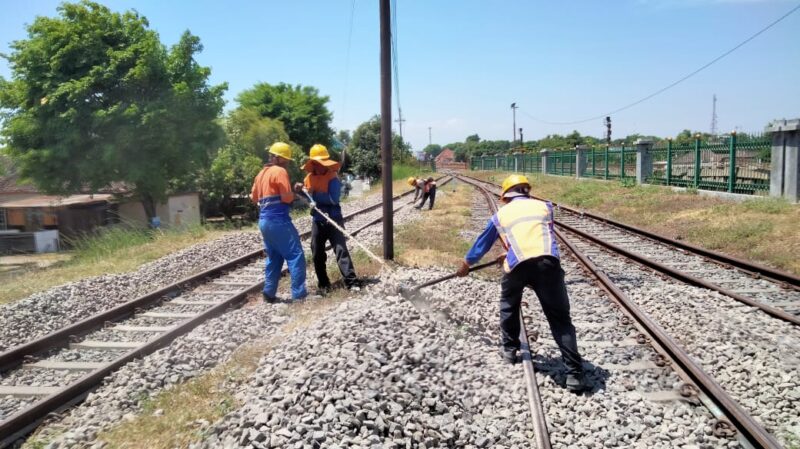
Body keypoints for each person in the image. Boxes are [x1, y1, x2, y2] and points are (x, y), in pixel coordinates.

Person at [455, 174, 585, 391]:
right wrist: (509, 253)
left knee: (509, 304)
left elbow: (482, 244)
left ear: (506, 196)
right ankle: (574, 374)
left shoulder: (501, 215)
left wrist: (466, 263)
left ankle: (509, 350)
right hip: (548, 263)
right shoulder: (545, 207)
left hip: (518, 266)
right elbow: (538, 237)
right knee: (560, 319)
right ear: (527, 191)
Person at [294, 144, 360, 294]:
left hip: (334, 219)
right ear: (313, 164)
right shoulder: (308, 178)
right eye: (316, 163)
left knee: (340, 250)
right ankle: (323, 285)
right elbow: (306, 196)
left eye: (321, 163)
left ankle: (352, 282)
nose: (318, 166)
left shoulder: (333, 178)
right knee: (317, 252)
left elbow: (333, 199)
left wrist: (314, 195)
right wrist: (299, 190)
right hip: (318, 220)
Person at [251, 142, 308, 302]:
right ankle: (299, 295)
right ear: (279, 158)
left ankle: (268, 293)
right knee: (295, 255)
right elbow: (286, 197)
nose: (288, 163)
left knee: (274, 257)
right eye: (287, 160)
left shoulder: (260, 174)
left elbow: (254, 198)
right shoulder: (280, 171)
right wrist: (295, 194)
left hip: (264, 221)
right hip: (278, 220)